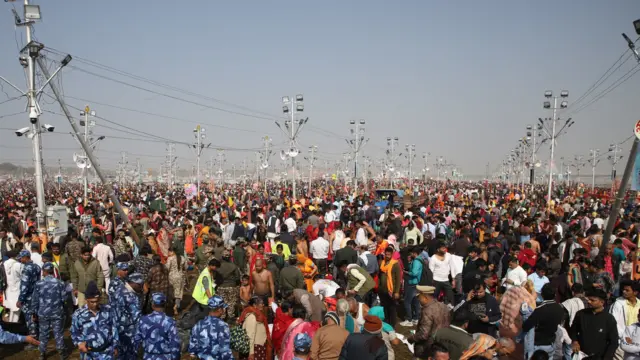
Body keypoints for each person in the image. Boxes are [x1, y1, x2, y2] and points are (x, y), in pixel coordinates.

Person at [71, 281, 118, 359]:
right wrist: (79, 343)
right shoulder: (78, 314)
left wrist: (115, 346)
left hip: (107, 353)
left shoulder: (107, 310)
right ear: (86, 299)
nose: (95, 304)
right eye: (92, 302)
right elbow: (74, 332)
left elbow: (114, 328)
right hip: (89, 354)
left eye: (97, 301)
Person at [31, 262, 68, 359]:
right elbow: (64, 299)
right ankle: (61, 353)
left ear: (44, 271)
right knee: (58, 333)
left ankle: (42, 353)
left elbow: (35, 300)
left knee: (43, 333)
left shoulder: (39, 284)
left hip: (43, 313)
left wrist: (34, 313)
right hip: (57, 313)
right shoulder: (60, 283)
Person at [570, 288, 619, 359]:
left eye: (592, 300)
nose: (589, 302)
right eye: (588, 299)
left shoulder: (609, 319)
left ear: (602, 302)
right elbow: (573, 330)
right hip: (581, 355)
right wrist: (575, 341)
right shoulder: (581, 314)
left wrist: (607, 358)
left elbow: (613, 342)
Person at [522, 283, 564, 358]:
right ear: (554, 295)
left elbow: (526, 326)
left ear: (542, 295)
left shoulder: (540, 309)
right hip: (551, 343)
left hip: (538, 345)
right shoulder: (559, 308)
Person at [134, 292, 181, 360]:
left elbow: (136, 340)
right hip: (165, 357)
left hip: (148, 356)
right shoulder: (169, 321)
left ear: (152, 305)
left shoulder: (143, 320)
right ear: (164, 305)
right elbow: (175, 343)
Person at [408, 285, 450, 359]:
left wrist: (411, 338)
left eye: (419, 297)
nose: (418, 299)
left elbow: (424, 334)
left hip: (427, 348)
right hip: (442, 344)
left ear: (425, 297)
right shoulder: (444, 306)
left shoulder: (427, 311)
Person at [188, 296, 234, 360]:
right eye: (223, 308)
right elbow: (225, 350)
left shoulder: (198, 325)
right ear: (220, 310)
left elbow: (192, 351)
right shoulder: (223, 326)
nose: (224, 310)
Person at [113, 273, 144, 360]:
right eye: (140, 285)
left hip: (131, 331)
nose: (141, 287)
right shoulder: (123, 294)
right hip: (125, 332)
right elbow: (116, 315)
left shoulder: (130, 291)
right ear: (133, 283)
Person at [610, 279, 640, 358]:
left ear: (635, 292)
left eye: (627, 290)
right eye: (623, 289)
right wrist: (624, 337)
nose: (624, 292)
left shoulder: (639, 304)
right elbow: (614, 323)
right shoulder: (618, 304)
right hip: (622, 341)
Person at [17, 249, 41, 342]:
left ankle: (34, 339)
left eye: (21, 258)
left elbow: (24, 285)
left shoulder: (26, 269)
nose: (20, 260)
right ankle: (39, 336)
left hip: (28, 298)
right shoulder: (37, 267)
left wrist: (20, 299)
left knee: (30, 319)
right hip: (37, 295)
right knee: (36, 317)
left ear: (25, 258)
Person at [238, 296, 272, 360]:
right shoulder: (252, 316)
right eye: (261, 303)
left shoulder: (258, 315)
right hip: (254, 348)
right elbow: (250, 335)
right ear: (254, 305)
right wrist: (251, 353)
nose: (263, 305)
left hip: (258, 346)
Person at [400, 246, 423, 327]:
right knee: (415, 301)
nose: (410, 255)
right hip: (416, 283)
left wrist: (406, 272)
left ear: (414, 253)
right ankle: (416, 318)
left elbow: (414, 273)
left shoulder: (416, 261)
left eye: (411, 253)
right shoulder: (421, 259)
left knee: (407, 302)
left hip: (412, 283)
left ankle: (409, 319)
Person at [379, 246, 401, 326]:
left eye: (389, 255)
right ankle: (386, 323)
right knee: (385, 307)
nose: (387, 256)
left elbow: (398, 279)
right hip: (383, 290)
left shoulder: (395, 264)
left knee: (392, 308)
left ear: (392, 255)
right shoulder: (382, 263)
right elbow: (380, 275)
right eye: (386, 254)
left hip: (391, 290)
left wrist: (397, 292)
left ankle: (392, 324)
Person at [3, 250, 22, 323]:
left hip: (7, 290)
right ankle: (14, 326)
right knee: (17, 310)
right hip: (17, 290)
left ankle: (10, 324)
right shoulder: (18, 265)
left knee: (12, 310)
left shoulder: (3, 264)